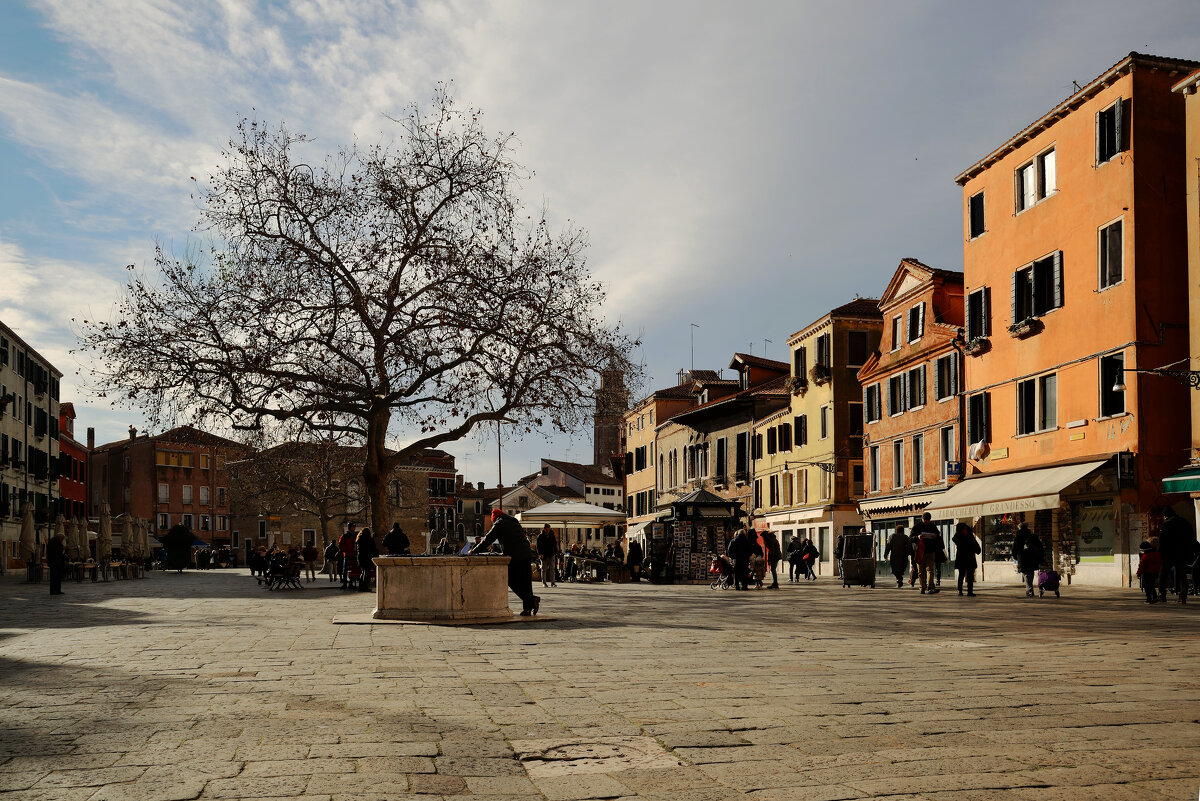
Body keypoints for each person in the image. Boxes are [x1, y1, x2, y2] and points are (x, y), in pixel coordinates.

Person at [470, 510, 539, 615]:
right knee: (526, 583)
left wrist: (473, 551)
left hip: (515, 556)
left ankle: (531, 600)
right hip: (526, 554)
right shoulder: (515, 522)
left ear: (495, 518)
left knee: (508, 579)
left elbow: (488, 539)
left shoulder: (499, 523)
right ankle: (527, 609)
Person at [1157, 506, 1198, 604]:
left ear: (1165, 516)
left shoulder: (1166, 525)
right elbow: (1191, 538)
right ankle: (1182, 596)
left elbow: (1162, 542)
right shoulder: (1185, 523)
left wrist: (1160, 554)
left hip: (1168, 554)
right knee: (1182, 576)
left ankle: (1162, 595)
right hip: (1183, 554)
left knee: (1162, 575)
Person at [911, 513, 941, 594]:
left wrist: (935, 536)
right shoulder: (916, 527)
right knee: (921, 571)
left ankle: (931, 587)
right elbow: (910, 538)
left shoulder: (933, 526)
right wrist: (917, 537)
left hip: (930, 551)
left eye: (928, 520)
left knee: (930, 570)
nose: (927, 522)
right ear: (922, 519)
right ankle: (922, 587)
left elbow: (938, 536)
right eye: (925, 520)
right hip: (920, 551)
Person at [1012, 523, 1044, 598]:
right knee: (1030, 573)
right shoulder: (1032, 536)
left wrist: (1016, 557)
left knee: (1026, 574)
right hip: (1032, 557)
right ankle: (1029, 590)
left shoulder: (1018, 538)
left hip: (1022, 557)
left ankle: (1029, 590)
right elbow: (1039, 547)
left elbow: (1014, 549)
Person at [951, 522, 981, 596]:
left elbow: (975, 545)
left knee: (970, 575)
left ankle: (969, 591)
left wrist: (977, 549)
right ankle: (960, 590)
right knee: (961, 574)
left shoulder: (970, 535)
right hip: (962, 558)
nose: (964, 531)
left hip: (969, 557)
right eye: (963, 529)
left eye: (965, 529)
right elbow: (956, 540)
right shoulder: (958, 537)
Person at [355, 528, 379, 592]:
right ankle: (365, 586)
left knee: (363, 572)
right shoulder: (369, 539)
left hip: (360, 558)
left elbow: (356, 550)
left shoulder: (359, 539)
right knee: (367, 572)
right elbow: (373, 548)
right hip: (367, 557)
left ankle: (361, 586)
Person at [47, 529, 67, 596]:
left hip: (58, 563)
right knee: (54, 577)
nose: (62, 540)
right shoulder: (52, 542)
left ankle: (58, 590)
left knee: (58, 577)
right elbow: (55, 552)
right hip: (54, 563)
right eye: (62, 539)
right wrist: (63, 548)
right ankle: (53, 591)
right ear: (59, 538)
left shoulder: (56, 542)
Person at [338, 525, 358, 589]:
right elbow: (341, 545)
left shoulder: (355, 535)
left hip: (353, 554)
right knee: (345, 570)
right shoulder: (345, 536)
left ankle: (350, 583)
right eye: (353, 527)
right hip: (348, 554)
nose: (354, 528)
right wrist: (346, 551)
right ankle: (345, 583)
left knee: (352, 570)